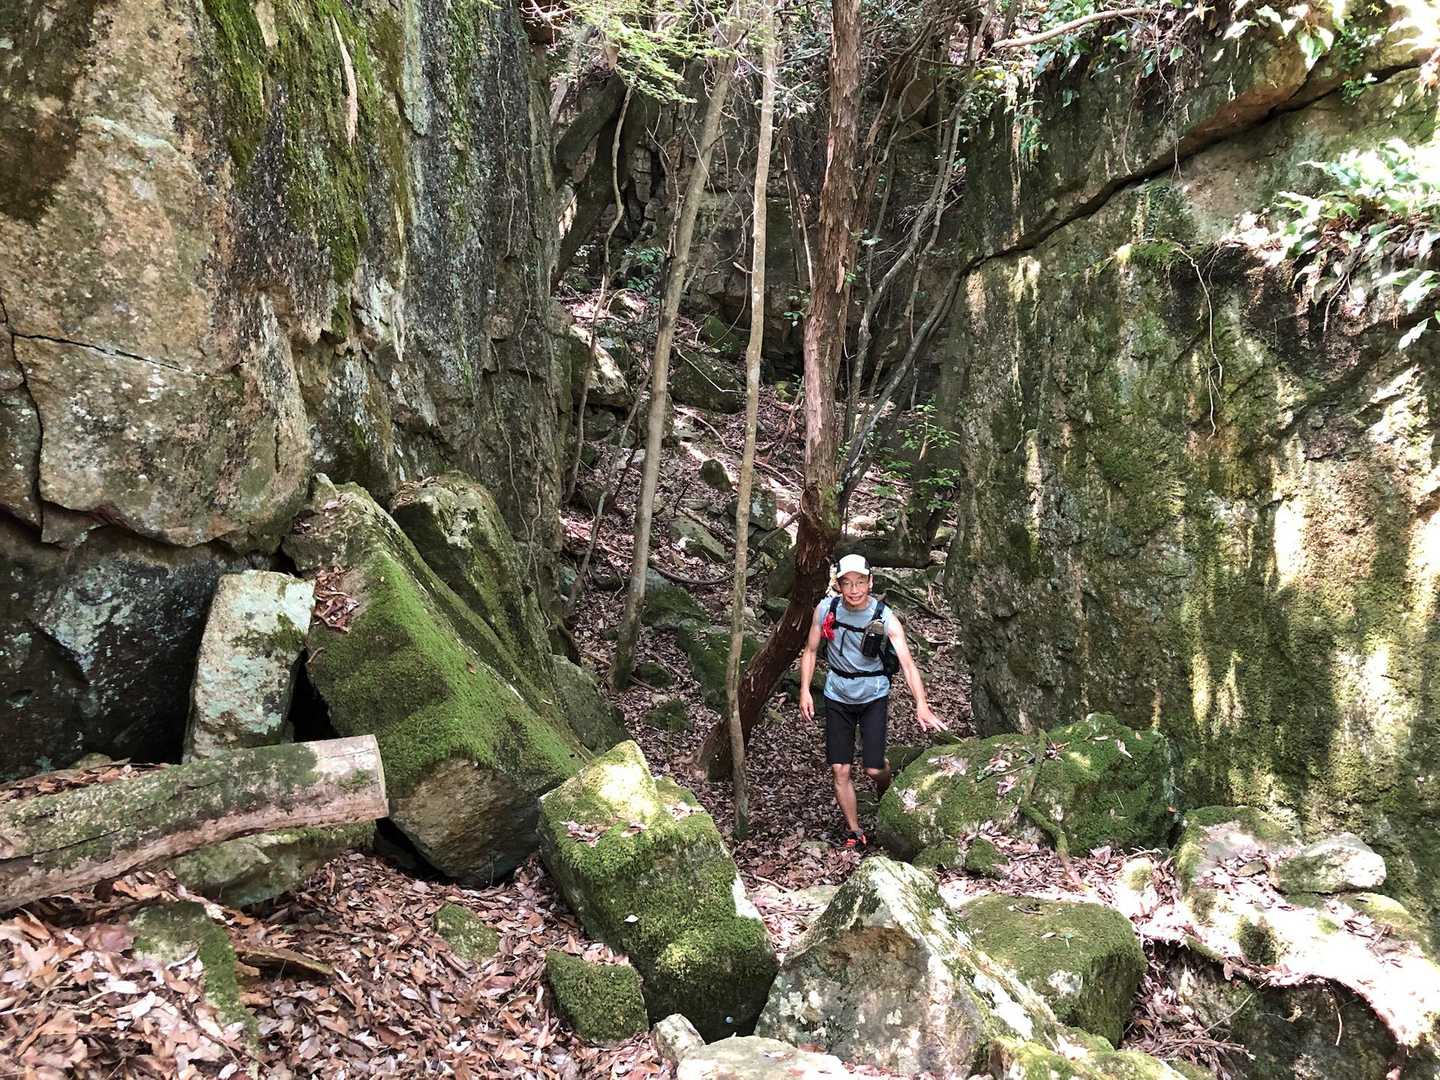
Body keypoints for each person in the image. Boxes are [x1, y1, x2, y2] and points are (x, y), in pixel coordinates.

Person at [798, 553, 947, 848]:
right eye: (847, 583)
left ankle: (885, 788)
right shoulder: (826, 609)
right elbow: (811, 650)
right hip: (837, 694)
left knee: (874, 768)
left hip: (873, 695)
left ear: (870, 582)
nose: (854, 590)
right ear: (838, 585)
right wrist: (804, 689)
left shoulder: (885, 617)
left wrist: (921, 704)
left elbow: (907, 664)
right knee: (840, 769)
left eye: (860, 582)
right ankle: (855, 831)